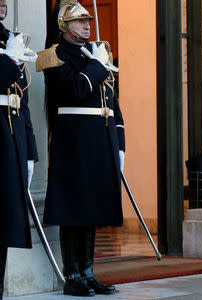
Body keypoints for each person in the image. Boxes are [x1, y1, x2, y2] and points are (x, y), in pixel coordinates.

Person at [36, 1, 125, 296]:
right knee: (73, 209)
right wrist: (98, 65)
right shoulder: (56, 55)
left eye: (88, 21)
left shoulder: (94, 55)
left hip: (100, 141)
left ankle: (88, 272)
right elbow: (76, 88)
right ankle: (72, 274)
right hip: (73, 141)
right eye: (79, 21)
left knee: (92, 208)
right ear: (64, 26)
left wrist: (119, 143)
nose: (87, 26)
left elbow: (112, 104)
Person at [0, 0, 39, 298]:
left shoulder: (7, 39)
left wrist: (29, 150)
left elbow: (20, 101)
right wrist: (8, 63)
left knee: (4, 224)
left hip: (10, 139)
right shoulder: (8, 48)